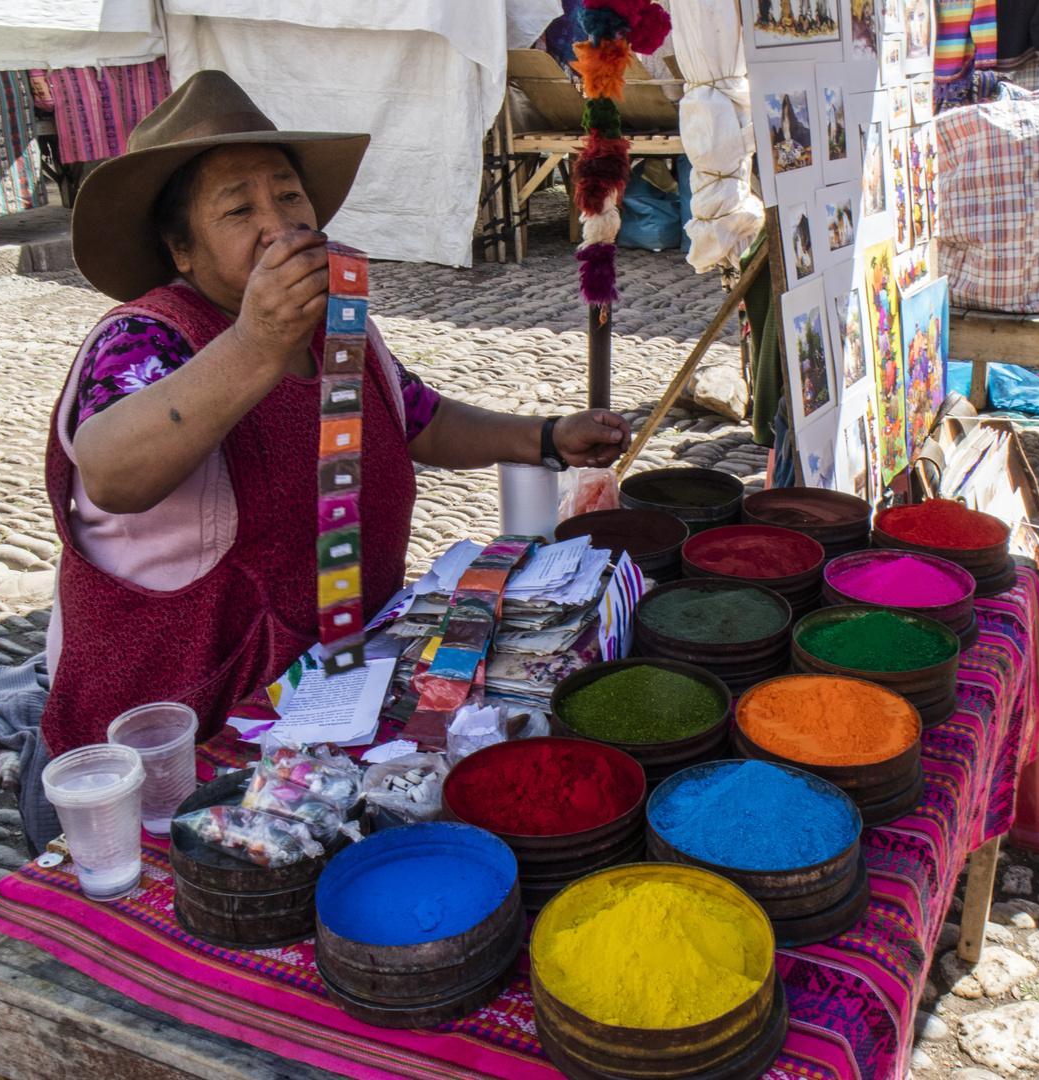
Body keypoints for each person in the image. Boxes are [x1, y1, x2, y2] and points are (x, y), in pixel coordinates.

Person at [37, 70, 632, 758]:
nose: (278, 224)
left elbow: (413, 416)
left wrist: (547, 437)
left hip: (324, 706)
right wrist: (255, 344)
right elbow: (110, 473)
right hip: (175, 737)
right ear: (181, 250)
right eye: (238, 211)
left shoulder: (336, 324)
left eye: (289, 196)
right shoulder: (145, 337)